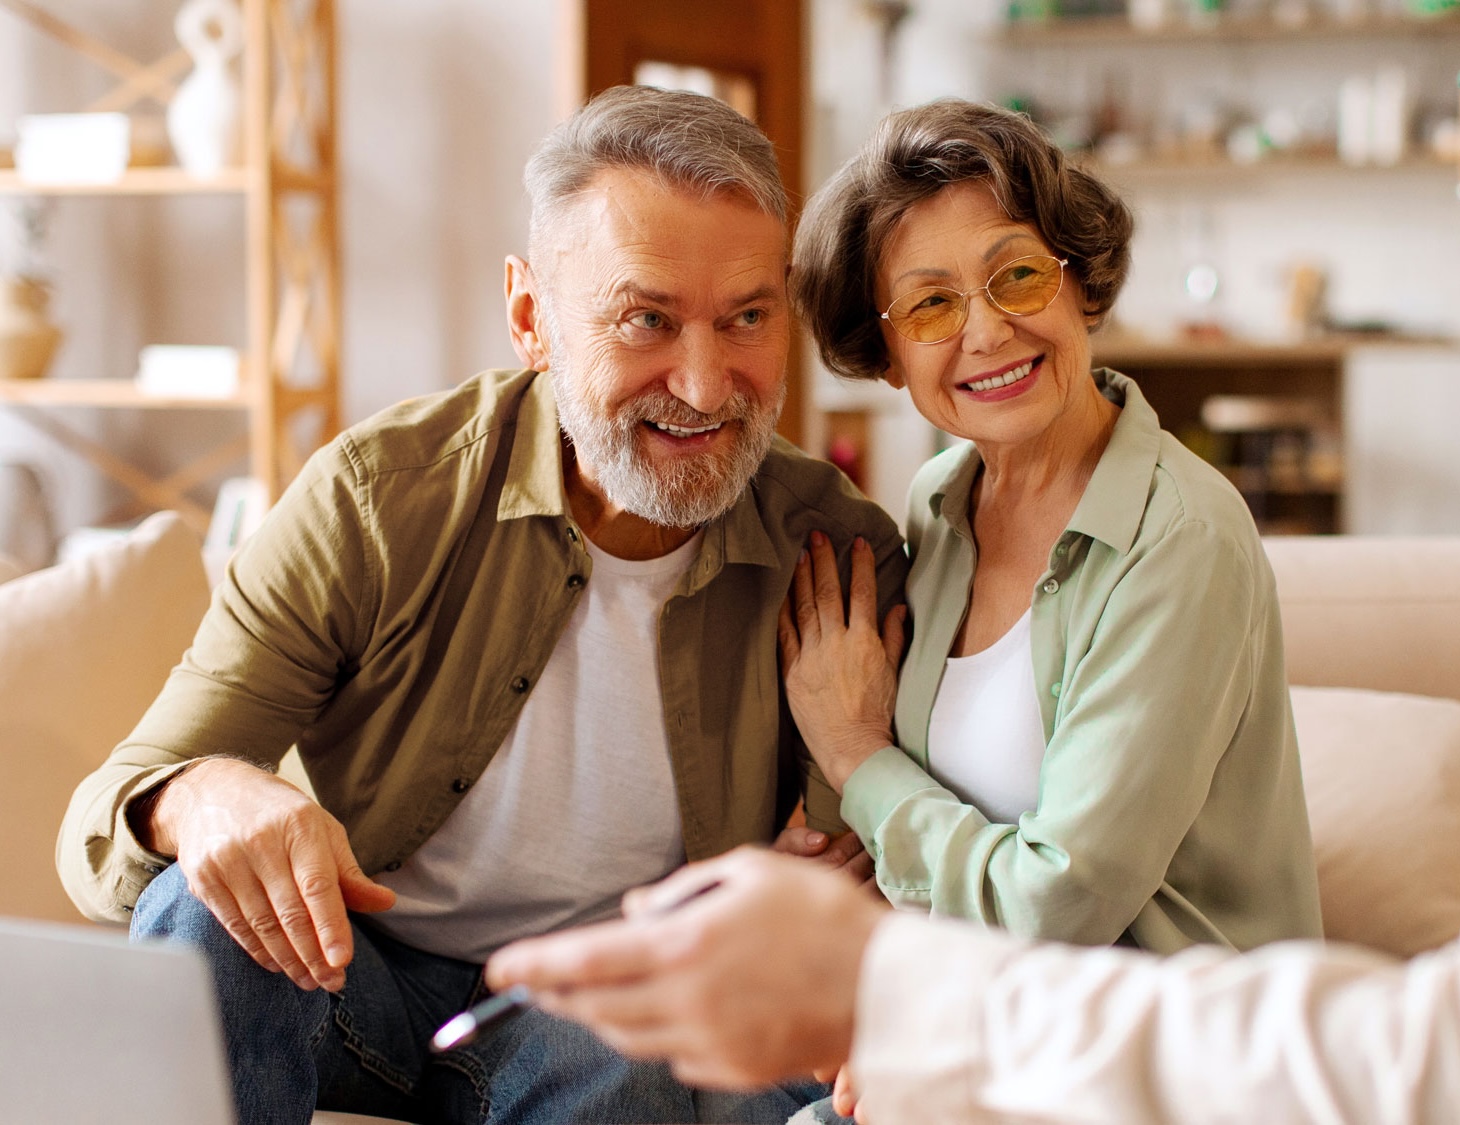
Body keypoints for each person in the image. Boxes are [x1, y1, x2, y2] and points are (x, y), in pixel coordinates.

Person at [57, 85, 905, 1125]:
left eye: (745, 318)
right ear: (529, 318)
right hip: (356, 974)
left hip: (600, 1010)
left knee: (633, 1081)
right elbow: (101, 832)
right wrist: (195, 798)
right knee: (200, 907)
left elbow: (858, 888)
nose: (701, 382)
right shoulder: (377, 498)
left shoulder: (837, 551)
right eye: (645, 318)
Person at [778, 98, 1323, 954]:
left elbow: (1057, 907)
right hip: (976, 1017)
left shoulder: (1181, 537)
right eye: (929, 307)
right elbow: (907, 836)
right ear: (887, 355)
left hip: (1157, 1051)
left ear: (1079, 283)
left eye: (1018, 276)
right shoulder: (938, 502)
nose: (988, 331)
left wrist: (855, 757)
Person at [485, 846, 1460, 1125]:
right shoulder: (922, 527)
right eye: (927, 303)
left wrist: (875, 981)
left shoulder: (1177, 534)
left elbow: (1420, 1072)